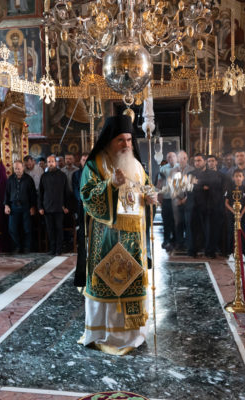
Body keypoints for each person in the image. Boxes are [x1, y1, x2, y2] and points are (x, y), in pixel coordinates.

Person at [78, 115, 158, 355]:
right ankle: (105, 334)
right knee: (110, 283)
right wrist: (110, 184)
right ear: (109, 141)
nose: (126, 145)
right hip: (107, 241)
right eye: (121, 140)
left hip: (134, 243)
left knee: (132, 285)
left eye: (129, 140)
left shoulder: (136, 165)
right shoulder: (95, 165)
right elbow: (87, 196)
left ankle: (134, 335)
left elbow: (145, 188)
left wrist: (150, 197)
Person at [38, 155, 70, 255]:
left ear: (55, 163)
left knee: (59, 229)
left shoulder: (62, 175)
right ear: (47, 163)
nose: (50, 163)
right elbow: (40, 193)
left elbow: (66, 192)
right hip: (47, 207)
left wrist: (66, 206)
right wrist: (40, 207)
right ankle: (52, 249)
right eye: (49, 162)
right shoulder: (44, 176)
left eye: (52, 161)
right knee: (50, 230)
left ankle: (58, 249)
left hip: (59, 207)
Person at [4, 160, 37, 253]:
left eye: (19, 168)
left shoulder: (29, 179)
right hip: (14, 207)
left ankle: (27, 247)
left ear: (23, 168)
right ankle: (17, 246)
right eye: (15, 168)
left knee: (27, 228)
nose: (17, 170)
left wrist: (33, 206)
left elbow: (33, 194)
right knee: (12, 228)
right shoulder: (10, 179)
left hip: (26, 207)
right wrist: (6, 205)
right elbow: (6, 193)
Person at [224, 170, 245, 258]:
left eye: (240, 176)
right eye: (236, 176)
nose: (238, 178)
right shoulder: (229, 189)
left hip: (243, 215)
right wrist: (234, 213)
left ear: (243, 177)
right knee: (231, 232)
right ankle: (231, 252)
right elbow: (226, 203)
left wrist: (241, 214)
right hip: (232, 214)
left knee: (243, 232)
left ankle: (243, 252)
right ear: (233, 178)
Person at [170, 151, 194, 252]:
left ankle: (188, 244)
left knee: (188, 223)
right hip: (177, 200)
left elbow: (192, 187)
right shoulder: (173, 170)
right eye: (180, 158)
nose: (182, 160)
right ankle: (179, 243)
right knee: (178, 223)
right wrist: (177, 199)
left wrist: (185, 199)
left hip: (188, 200)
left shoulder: (192, 170)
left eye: (184, 158)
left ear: (187, 158)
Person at [72, 152, 89, 286]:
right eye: (83, 160)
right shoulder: (76, 174)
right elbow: (76, 190)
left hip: (93, 207)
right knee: (82, 233)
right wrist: (83, 199)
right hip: (81, 206)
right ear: (80, 161)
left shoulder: (95, 173)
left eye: (87, 160)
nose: (85, 162)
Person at [157, 151, 177, 250]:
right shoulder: (163, 168)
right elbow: (159, 183)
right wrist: (159, 196)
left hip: (177, 199)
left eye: (172, 156)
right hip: (166, 199)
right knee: (166, 221)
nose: (171, 158)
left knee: (176, 221)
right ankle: (166, 240)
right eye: (169, 157)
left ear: (176, 158)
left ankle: (176, 240)